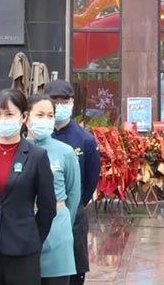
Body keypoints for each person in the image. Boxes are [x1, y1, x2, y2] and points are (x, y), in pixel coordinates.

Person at [0, 88, 56, 285]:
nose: (3, 119)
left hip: (23, 246)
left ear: (23, 117)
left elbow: (48, 206)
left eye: (9, 114)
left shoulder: (37, 156)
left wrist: (34, 236)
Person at [44, 80, 100, 285]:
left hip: (73, 214)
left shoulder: (85, 139)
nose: (59, 106)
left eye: (64, 101)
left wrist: (75, 205)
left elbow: (91, 178)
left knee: (74, 270)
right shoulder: (36, 135)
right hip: (39, 213)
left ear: (72, 103)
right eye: (54, 101)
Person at [26, 94, 81, 284]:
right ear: (25, 117)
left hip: (57, 229)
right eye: (40, 115)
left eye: (50, 115)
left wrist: (64, 221)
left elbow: (73, 193)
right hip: (23, 227)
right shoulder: (17, 150)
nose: (46, 120)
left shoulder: (65, 152)